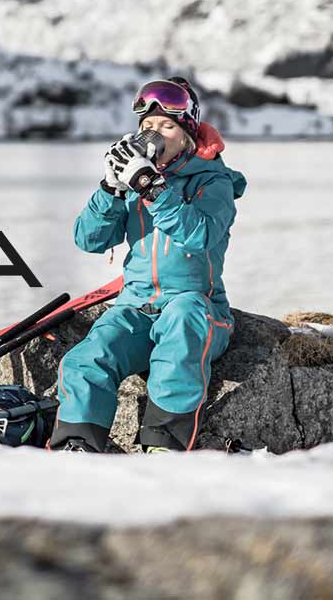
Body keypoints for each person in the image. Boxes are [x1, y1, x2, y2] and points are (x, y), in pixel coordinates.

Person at [50, 77, 247, 453]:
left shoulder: (214, 182)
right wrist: (111, 188)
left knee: (182, 329)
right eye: (148, 125)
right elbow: (88, 239)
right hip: (136, 305)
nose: (154, 133)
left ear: (187, 136)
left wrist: (152, 188)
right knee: (88, 357)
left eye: (166, 126)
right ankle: (77, 444)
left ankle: (163, 444)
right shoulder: (134, 179)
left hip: (196, 306)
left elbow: (200, 235)